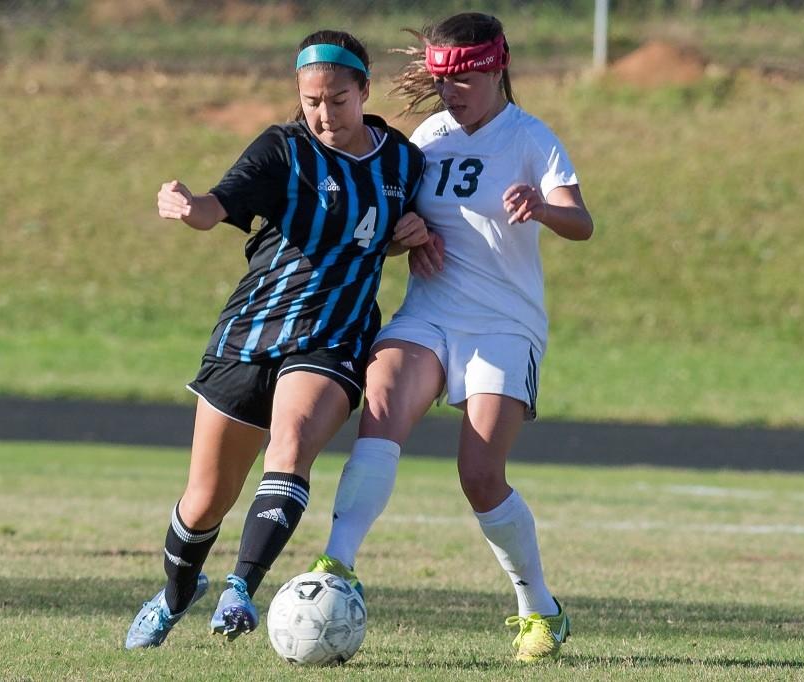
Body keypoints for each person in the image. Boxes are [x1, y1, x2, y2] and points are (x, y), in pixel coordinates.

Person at [124, 29, 427, 649]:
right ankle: (176, 594)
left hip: (334, 336)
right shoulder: (283, 150)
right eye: (311, 100)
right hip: (251, 332)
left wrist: (406, 236)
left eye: (337, 100)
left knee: (289, 442)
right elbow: (220, 204)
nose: (323, 113)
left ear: (364, 90)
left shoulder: (402, 159)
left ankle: (241, 587)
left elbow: (380, 230)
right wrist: (189, 206)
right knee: (205, 501)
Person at [309, 13, 593, 664]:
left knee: (480, 475)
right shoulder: (430, 135)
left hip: (503, 323)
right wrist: (407, 230)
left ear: (497, 66)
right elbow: (390, 211)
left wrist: (543, 208)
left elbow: (581, 221)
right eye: (442, 78)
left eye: (463, 77)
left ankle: (539, 609)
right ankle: (337, 564)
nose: (451, 92)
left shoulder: (530, 139)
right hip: (430, 311)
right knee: (379, 411)